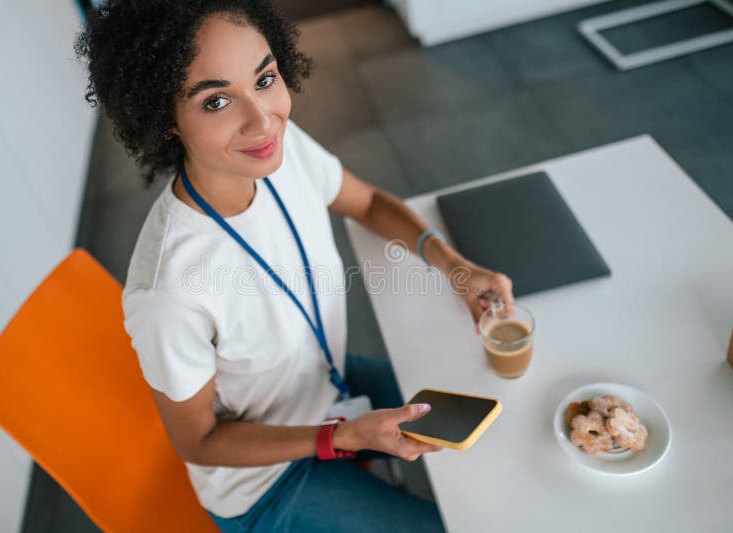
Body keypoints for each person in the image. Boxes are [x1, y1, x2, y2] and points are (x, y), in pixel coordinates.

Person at [76, 1, 515, 531]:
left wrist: (457, 269)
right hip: (267, 481)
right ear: (164, 118)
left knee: (503, 421)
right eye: (216, 101)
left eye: (264, 79)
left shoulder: (278, 150)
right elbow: (200, 440)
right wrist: (341, 437)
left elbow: (369, 203)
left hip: (326, 383)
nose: (262, 121)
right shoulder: (169, 289)